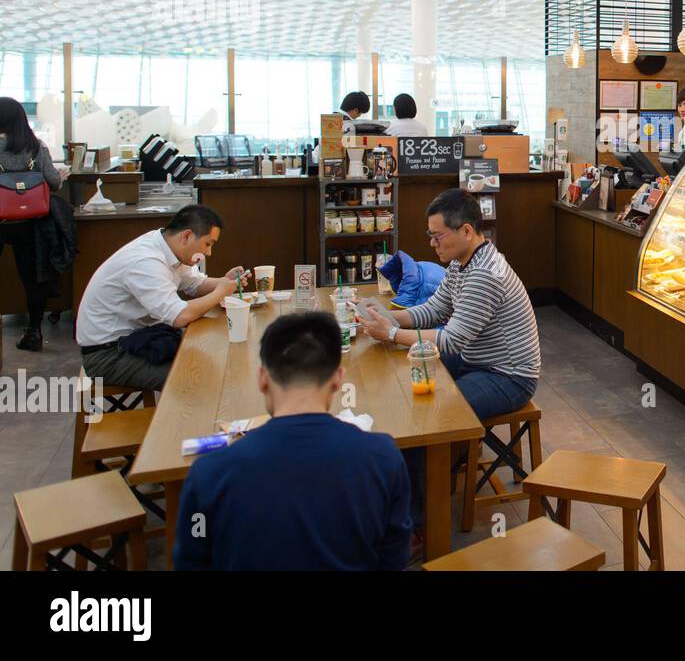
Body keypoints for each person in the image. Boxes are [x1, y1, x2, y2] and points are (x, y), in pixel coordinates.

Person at [173, 311, 411, 571]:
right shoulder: (384, 458)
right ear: (338, 380)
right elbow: (394, 556)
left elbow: (192, 557)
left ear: (263, 379)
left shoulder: (207, 474)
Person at [356, 188, 539, 421]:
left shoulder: (485, 274)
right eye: (430, 235)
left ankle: (444, 454)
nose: (432, 243)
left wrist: (391, 332)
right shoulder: (463, 261)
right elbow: (435, 309)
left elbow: (451, 340)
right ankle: (454, 451)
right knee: (408, 372)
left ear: (466, 231)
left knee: (436, 411)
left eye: (438, 236)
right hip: (475, 359)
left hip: (508, 376)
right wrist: (382, 314)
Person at [77, 204, 247, 391]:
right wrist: (220, 292)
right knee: (197, 377)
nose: (208, 253)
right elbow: (178, 316)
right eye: (208, 244)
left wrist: (224, 282)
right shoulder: (146, 261)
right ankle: (183, 419)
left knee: (211, 356)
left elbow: (194, 284)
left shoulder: (170, 248)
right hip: (108, 355)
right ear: (186, 236)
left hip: (138, 339)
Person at [0, 97, 68, 352]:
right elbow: (53, 181)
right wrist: (59, 176)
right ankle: (34, 332)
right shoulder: (36, 147)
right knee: (32, 279)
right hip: (30, 222)